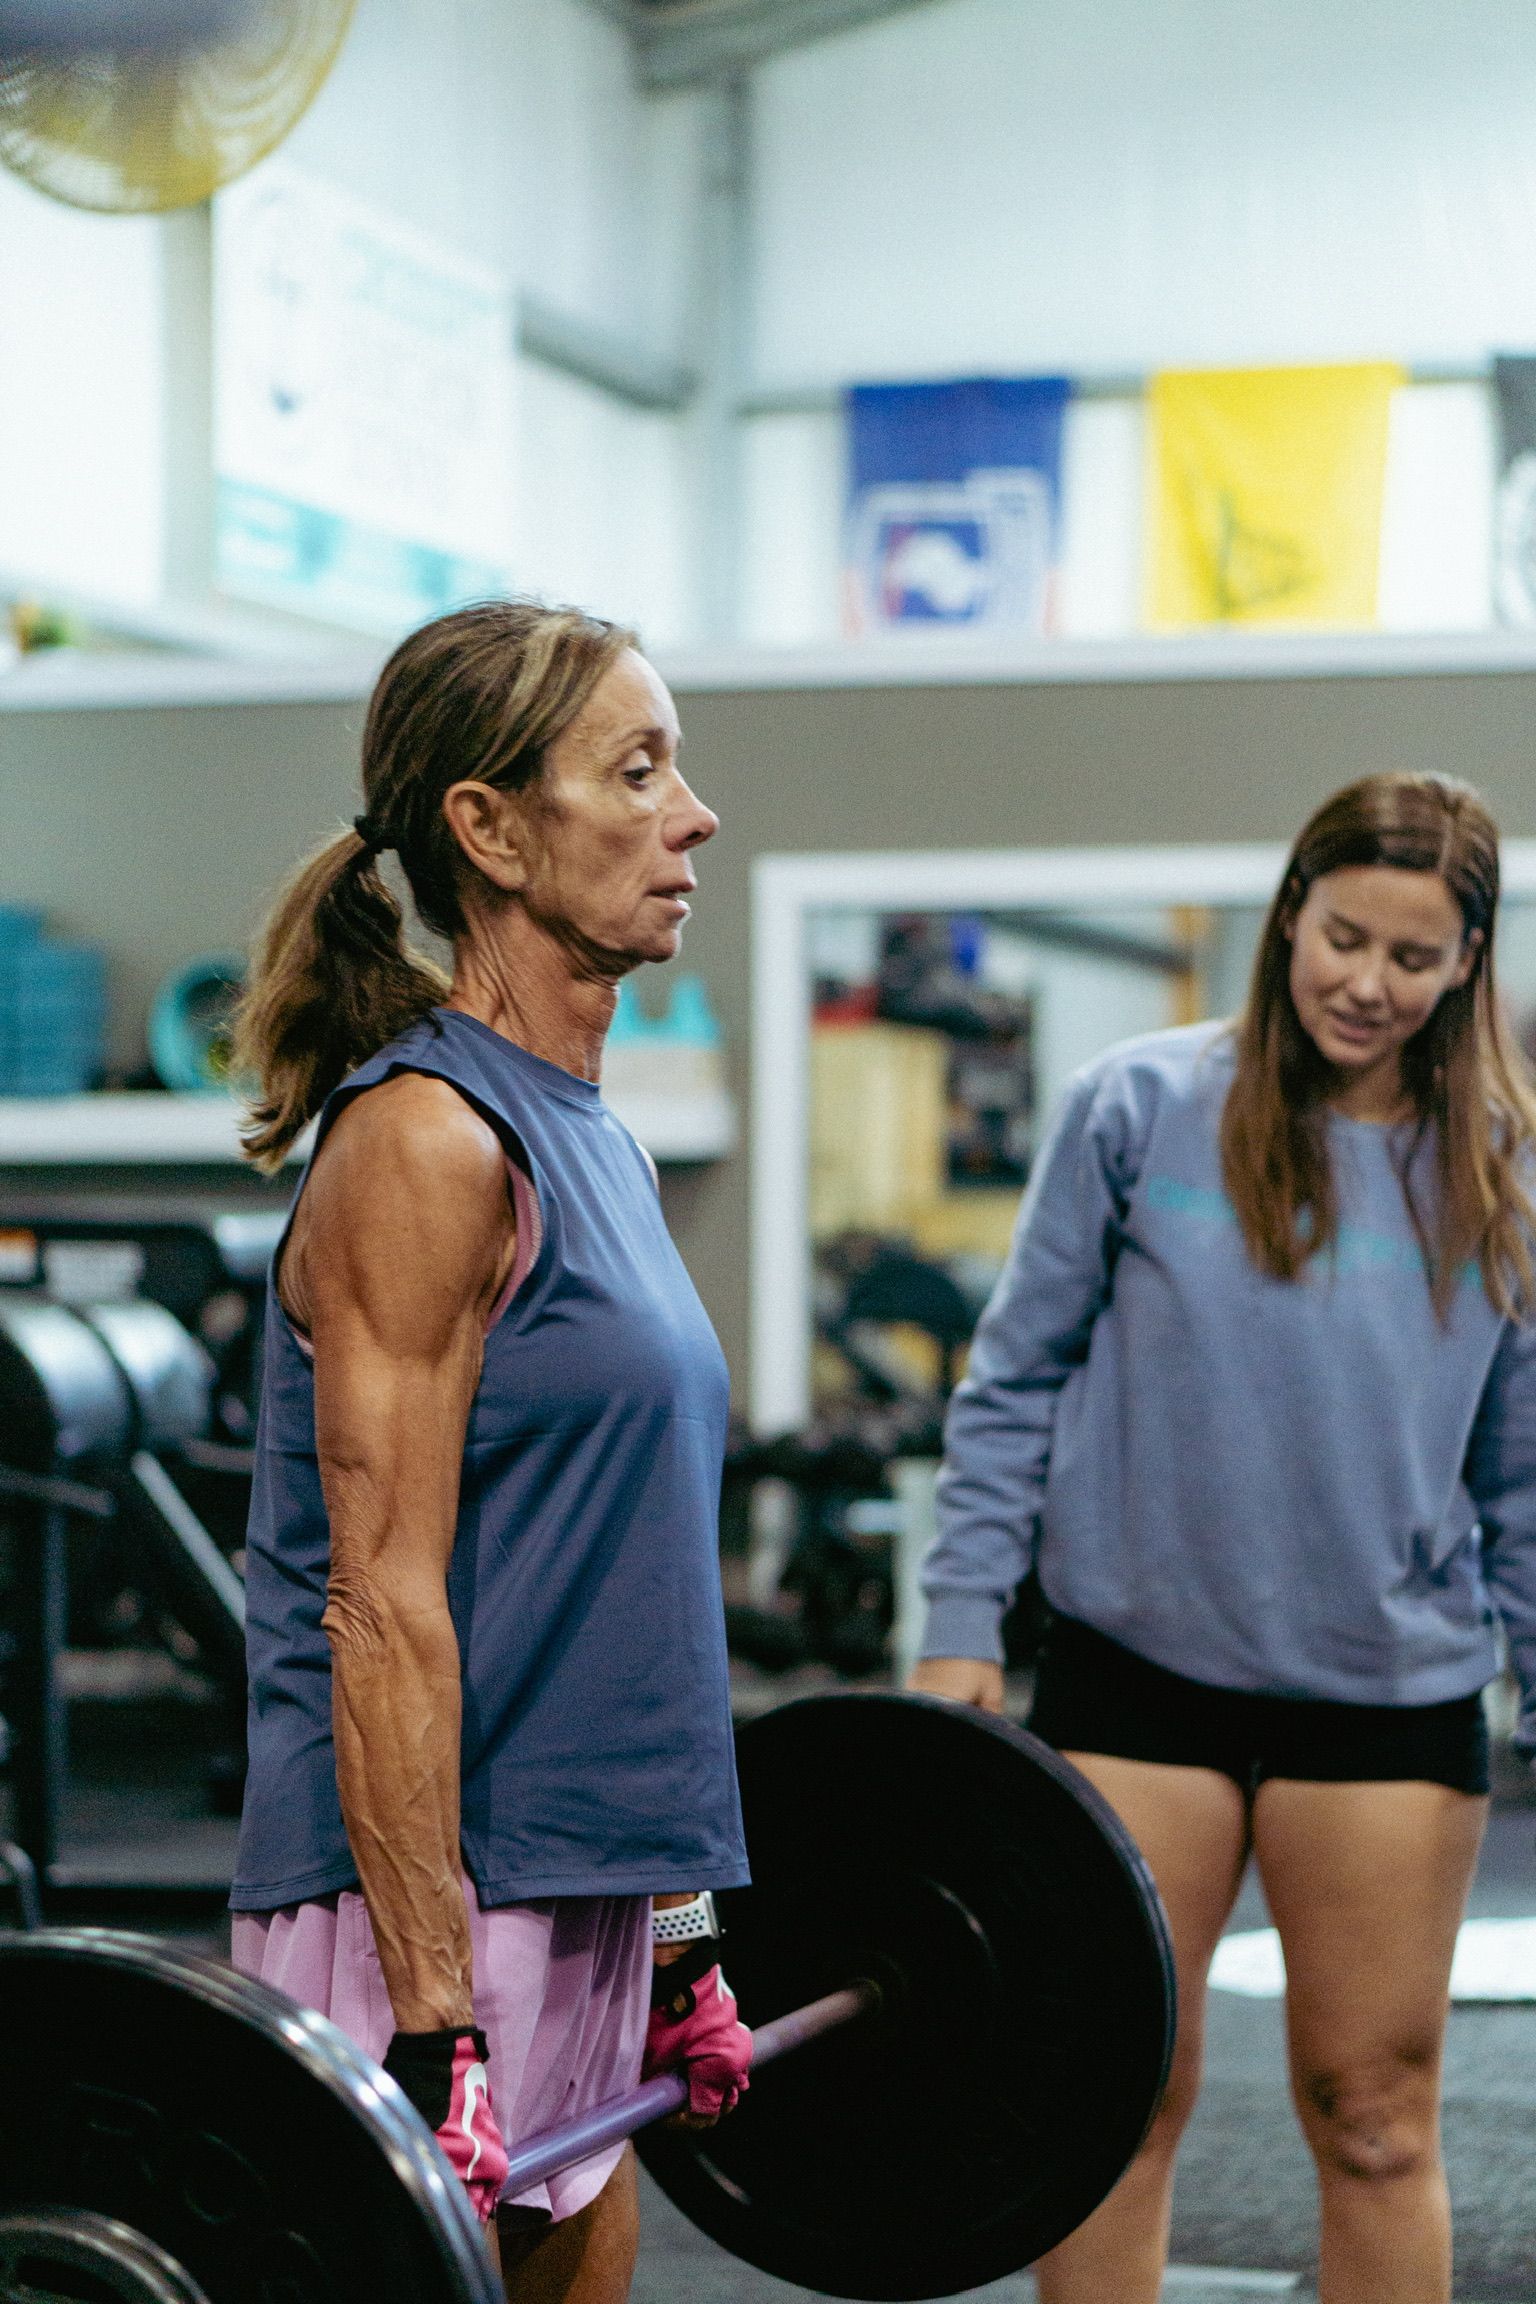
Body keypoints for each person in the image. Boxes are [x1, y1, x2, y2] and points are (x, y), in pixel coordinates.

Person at [911, 772, 1536, 2304]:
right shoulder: (1140, 1107)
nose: (1368, 985)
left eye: (1412, 956)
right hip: (1139, 1678)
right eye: (1343, 938)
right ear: (1288, 917)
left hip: (1387, 1701)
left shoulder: (1501, 1168)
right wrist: (957, 1626)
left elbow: (1523, 1482)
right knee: (1117, 2106)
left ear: (1467, 965)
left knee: (1377, 2118)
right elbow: (1014, 1384)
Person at [227, 600, 753, 2304]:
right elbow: (376, 1607)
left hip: (580, 1881)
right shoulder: (424, 1140)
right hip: (430, 1901)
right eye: (639, 769)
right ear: (491, 829)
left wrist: (678, 1939)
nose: (695, 815)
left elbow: (628, 1595)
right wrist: (439, 2023)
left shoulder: (597, 1139)